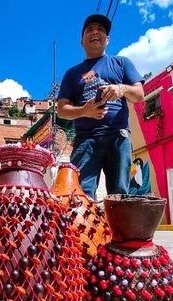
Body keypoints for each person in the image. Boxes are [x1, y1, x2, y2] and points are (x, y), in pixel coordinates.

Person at [57, 14, 144, 199]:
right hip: (85, 140)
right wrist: (84, 111)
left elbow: (139, 94)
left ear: (107, 39)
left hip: (118, 136)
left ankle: (118, 229)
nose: (95, 32)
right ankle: (84, 228)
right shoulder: (71, 74)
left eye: (101, 30)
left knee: (120, 195)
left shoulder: (122, 63)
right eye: (90, 29)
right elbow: (61, 110)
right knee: (80, 195)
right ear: (82, 41)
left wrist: (120, 89)